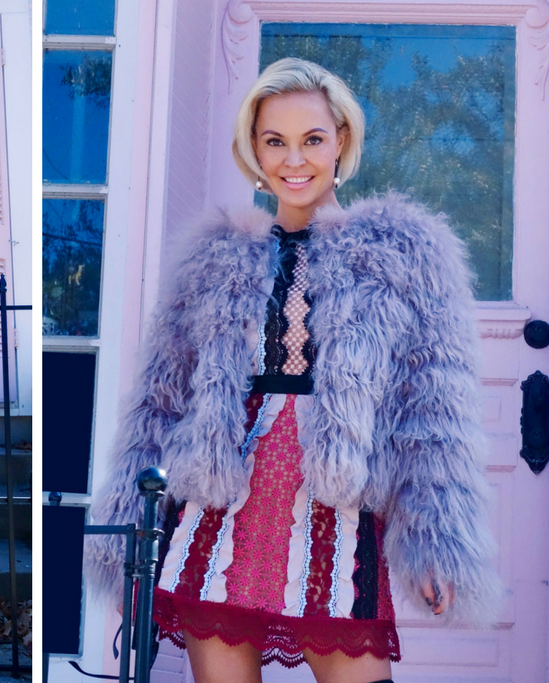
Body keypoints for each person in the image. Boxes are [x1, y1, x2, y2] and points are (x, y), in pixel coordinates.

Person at [86, 58, 500, 683]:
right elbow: (158, 404)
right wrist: (127, 554)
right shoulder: (212, 258)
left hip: (338, 512)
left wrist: (438, 541)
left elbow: (434, 410)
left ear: (341, 142)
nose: (294, 160)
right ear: (253, 149)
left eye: (312, 139)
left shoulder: (404, 252)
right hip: (221, 512)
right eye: (274, 141)